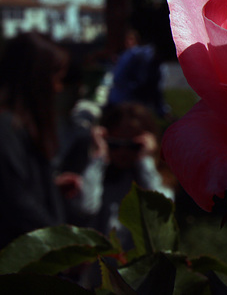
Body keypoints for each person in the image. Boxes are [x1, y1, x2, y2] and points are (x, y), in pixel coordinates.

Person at [70, 102, 175, 247]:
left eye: (133, 146)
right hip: (100, 264)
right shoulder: (97, 172)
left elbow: (159, 210)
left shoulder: (156, 176)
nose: (122, 153)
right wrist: (99, 157)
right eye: (114, 144)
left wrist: (145, 162)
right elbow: (85, 206)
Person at [0, 32, 70, 248]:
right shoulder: (6, 127)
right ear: (36, 79)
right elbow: (15, 200)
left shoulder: (17, 126)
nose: (59, 88)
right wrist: (62, 246)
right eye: (56, 78)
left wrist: (50, 187)